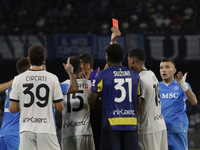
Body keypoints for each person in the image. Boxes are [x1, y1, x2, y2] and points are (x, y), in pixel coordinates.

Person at [9, 45, 72, 150]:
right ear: (44, 59)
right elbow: (60, 108)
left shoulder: (18, 79)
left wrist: (25, 106)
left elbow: (12, 108)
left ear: (28, 59)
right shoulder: (52, 78)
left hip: (26, 130)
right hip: (46, 129)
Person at [88, 43, 141, 150]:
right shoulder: (135, 76)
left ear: (107, 58)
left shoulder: (102, 75)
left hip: (111, 125)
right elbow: (138, 103)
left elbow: (91, 102)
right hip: (131, 124)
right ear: (123, 57)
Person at [128, 48, 168, 150]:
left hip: (148, 128)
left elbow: (138, 106)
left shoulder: (139, 79)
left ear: (132, 60)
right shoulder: (152, 74)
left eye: (128, 60)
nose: (128, 63)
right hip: (160, 125)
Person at [159, 58, 198, 150]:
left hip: (177, 129)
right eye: (161, 68)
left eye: (167, 67)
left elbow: (194, 101)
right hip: (160, 131)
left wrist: (183, 85)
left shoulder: (182, 85)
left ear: (174, 70)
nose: (164, 70)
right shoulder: (156, 86)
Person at [61, 56, 95, 150]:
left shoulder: (62, 85)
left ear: (67, 69)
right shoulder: (89, 84)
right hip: (84, 131)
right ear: (81, 69)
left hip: (67, 132)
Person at [0, 57, 30, 150]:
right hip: (17, 134)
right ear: (28, 70)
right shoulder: (28, 85)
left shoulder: (12, 83)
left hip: (4, 133)